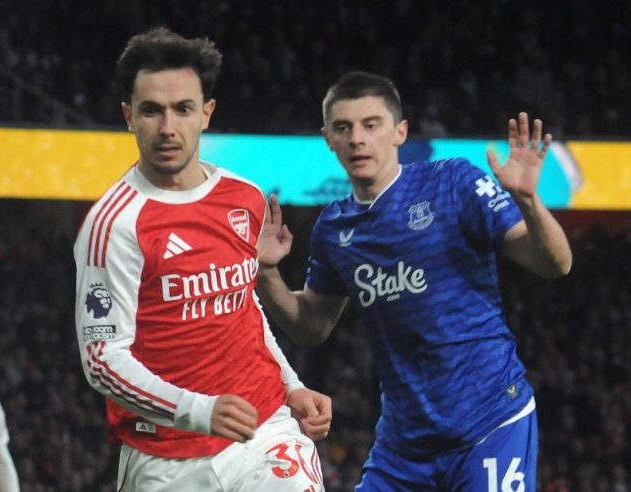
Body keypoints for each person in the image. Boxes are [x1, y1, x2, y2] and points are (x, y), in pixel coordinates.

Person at [256, 71, 572, 490]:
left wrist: (529, 202)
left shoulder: (453, 183)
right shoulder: (334, 228)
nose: (357, 139)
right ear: (328, 138)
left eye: (371, 125)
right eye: (343, 128)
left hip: (491, 421)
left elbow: (555, 264)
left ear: (400, 132)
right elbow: (311, 326)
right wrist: (266, 273)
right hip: (404, 443)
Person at [73, 27, 331, 491]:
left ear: (206, 113)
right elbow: (102, 360)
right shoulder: (113, 225)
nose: (167, 128)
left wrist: (291, 386)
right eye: (151, 110)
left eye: (183, 109)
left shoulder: (244, 197)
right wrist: (197, 410)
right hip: (166, 457)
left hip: (264, 430)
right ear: (129, 116)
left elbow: (242, 305)